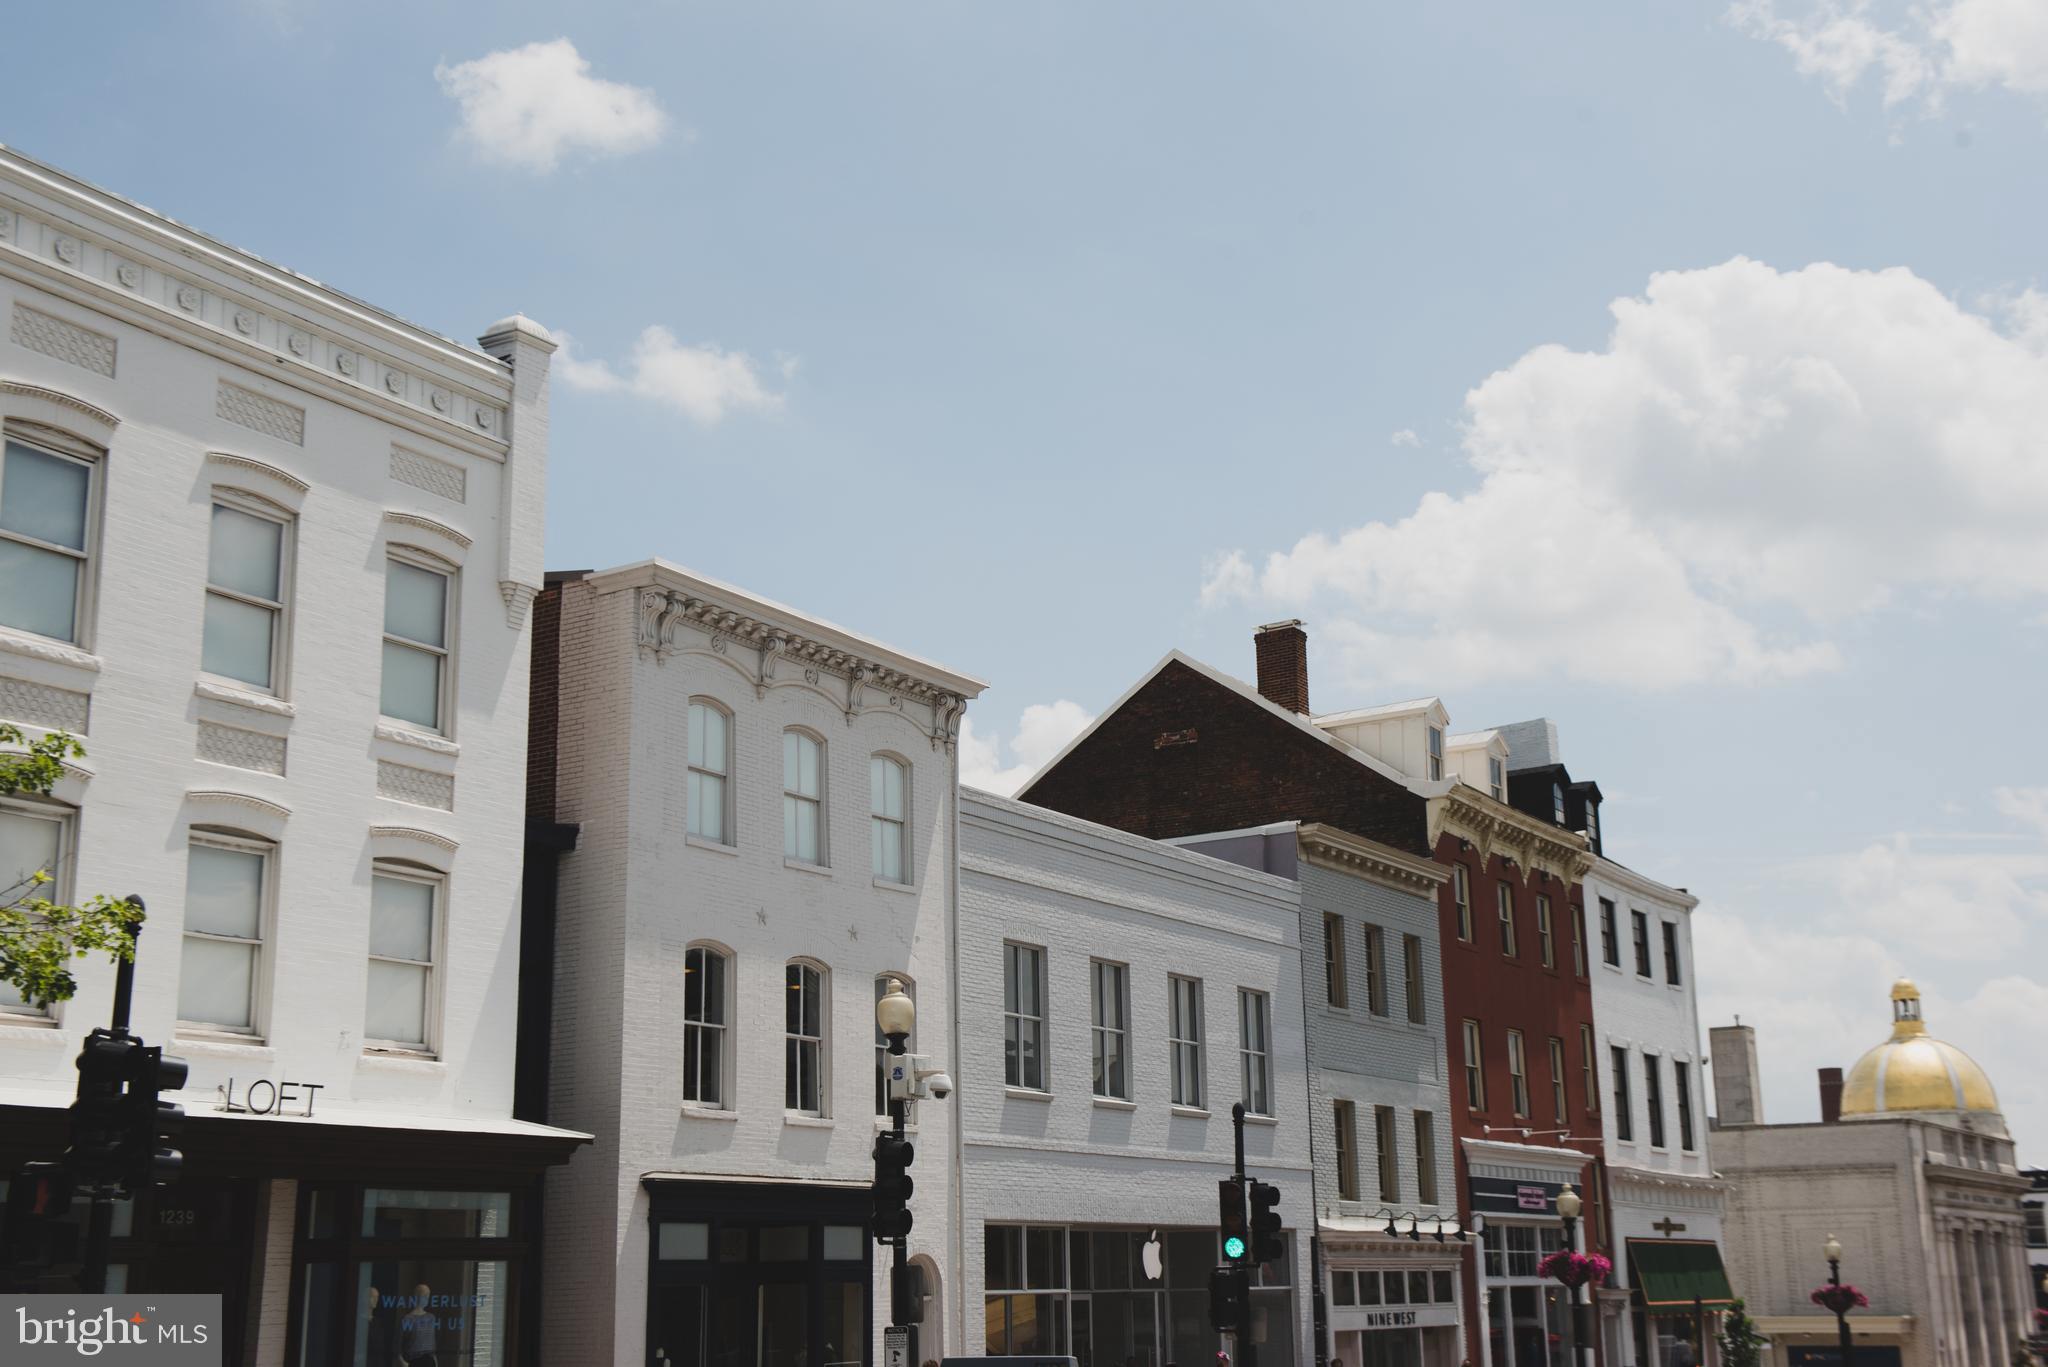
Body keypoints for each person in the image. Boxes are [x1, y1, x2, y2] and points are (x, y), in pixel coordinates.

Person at [399, 1284, 438, 1367]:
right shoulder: (407, 1319)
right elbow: (398, 1344)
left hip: (429, 1361)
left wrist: (435, 1361)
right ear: (417, 1296)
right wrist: (403, 1362)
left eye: (428, 1295)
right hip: (414, 1361)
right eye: (424, 1295)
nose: (427, 1298)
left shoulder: (431, 1318)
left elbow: (432, 1344)